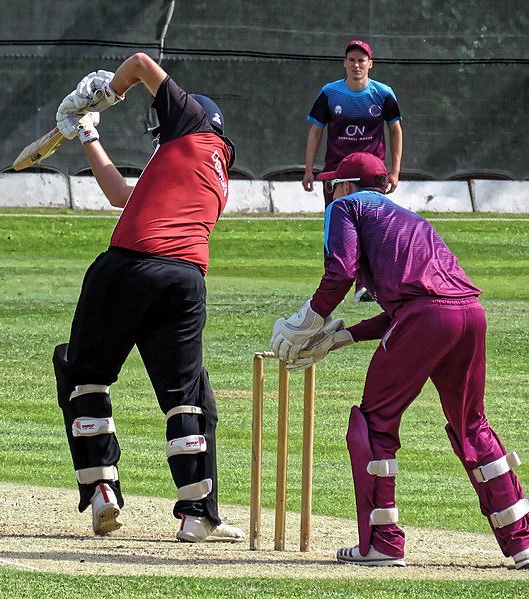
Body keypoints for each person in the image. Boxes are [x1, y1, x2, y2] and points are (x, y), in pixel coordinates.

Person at [270, 152, 529, 569]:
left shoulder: (346, 206)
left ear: (348, 185)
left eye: (335, 183)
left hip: (426, 318)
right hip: (469, 315)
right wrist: (342, 337)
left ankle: (382, 543)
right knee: (473, 424)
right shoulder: (407, 218)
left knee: (372, 423)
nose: (330, 191)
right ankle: (522, 542)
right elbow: (420, 302)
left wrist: (307, 320)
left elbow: (341, 272)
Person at [51, 53, 245, 543]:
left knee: (85, 374)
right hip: (183, 280)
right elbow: (121, 194)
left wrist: (102, 95)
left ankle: (101, 490)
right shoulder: (210, 174)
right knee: (186, 396)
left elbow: (139, 63)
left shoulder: (194, 123)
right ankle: (197, 514)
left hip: (125, 268)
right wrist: (87, 134)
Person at [302, 40, 403, 302]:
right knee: (336, 227)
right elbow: (315, 131)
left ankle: (366, 286)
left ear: (370, 64)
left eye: (362, 60)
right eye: (352, 60)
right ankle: (331, 284)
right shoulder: (329, 93)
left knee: (371, 228)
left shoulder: (383, 94)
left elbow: (395, 131)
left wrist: (395, 171)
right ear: (344, 63)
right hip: (336, 174)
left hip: (372, 175)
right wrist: (309, 169)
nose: (357, 65)